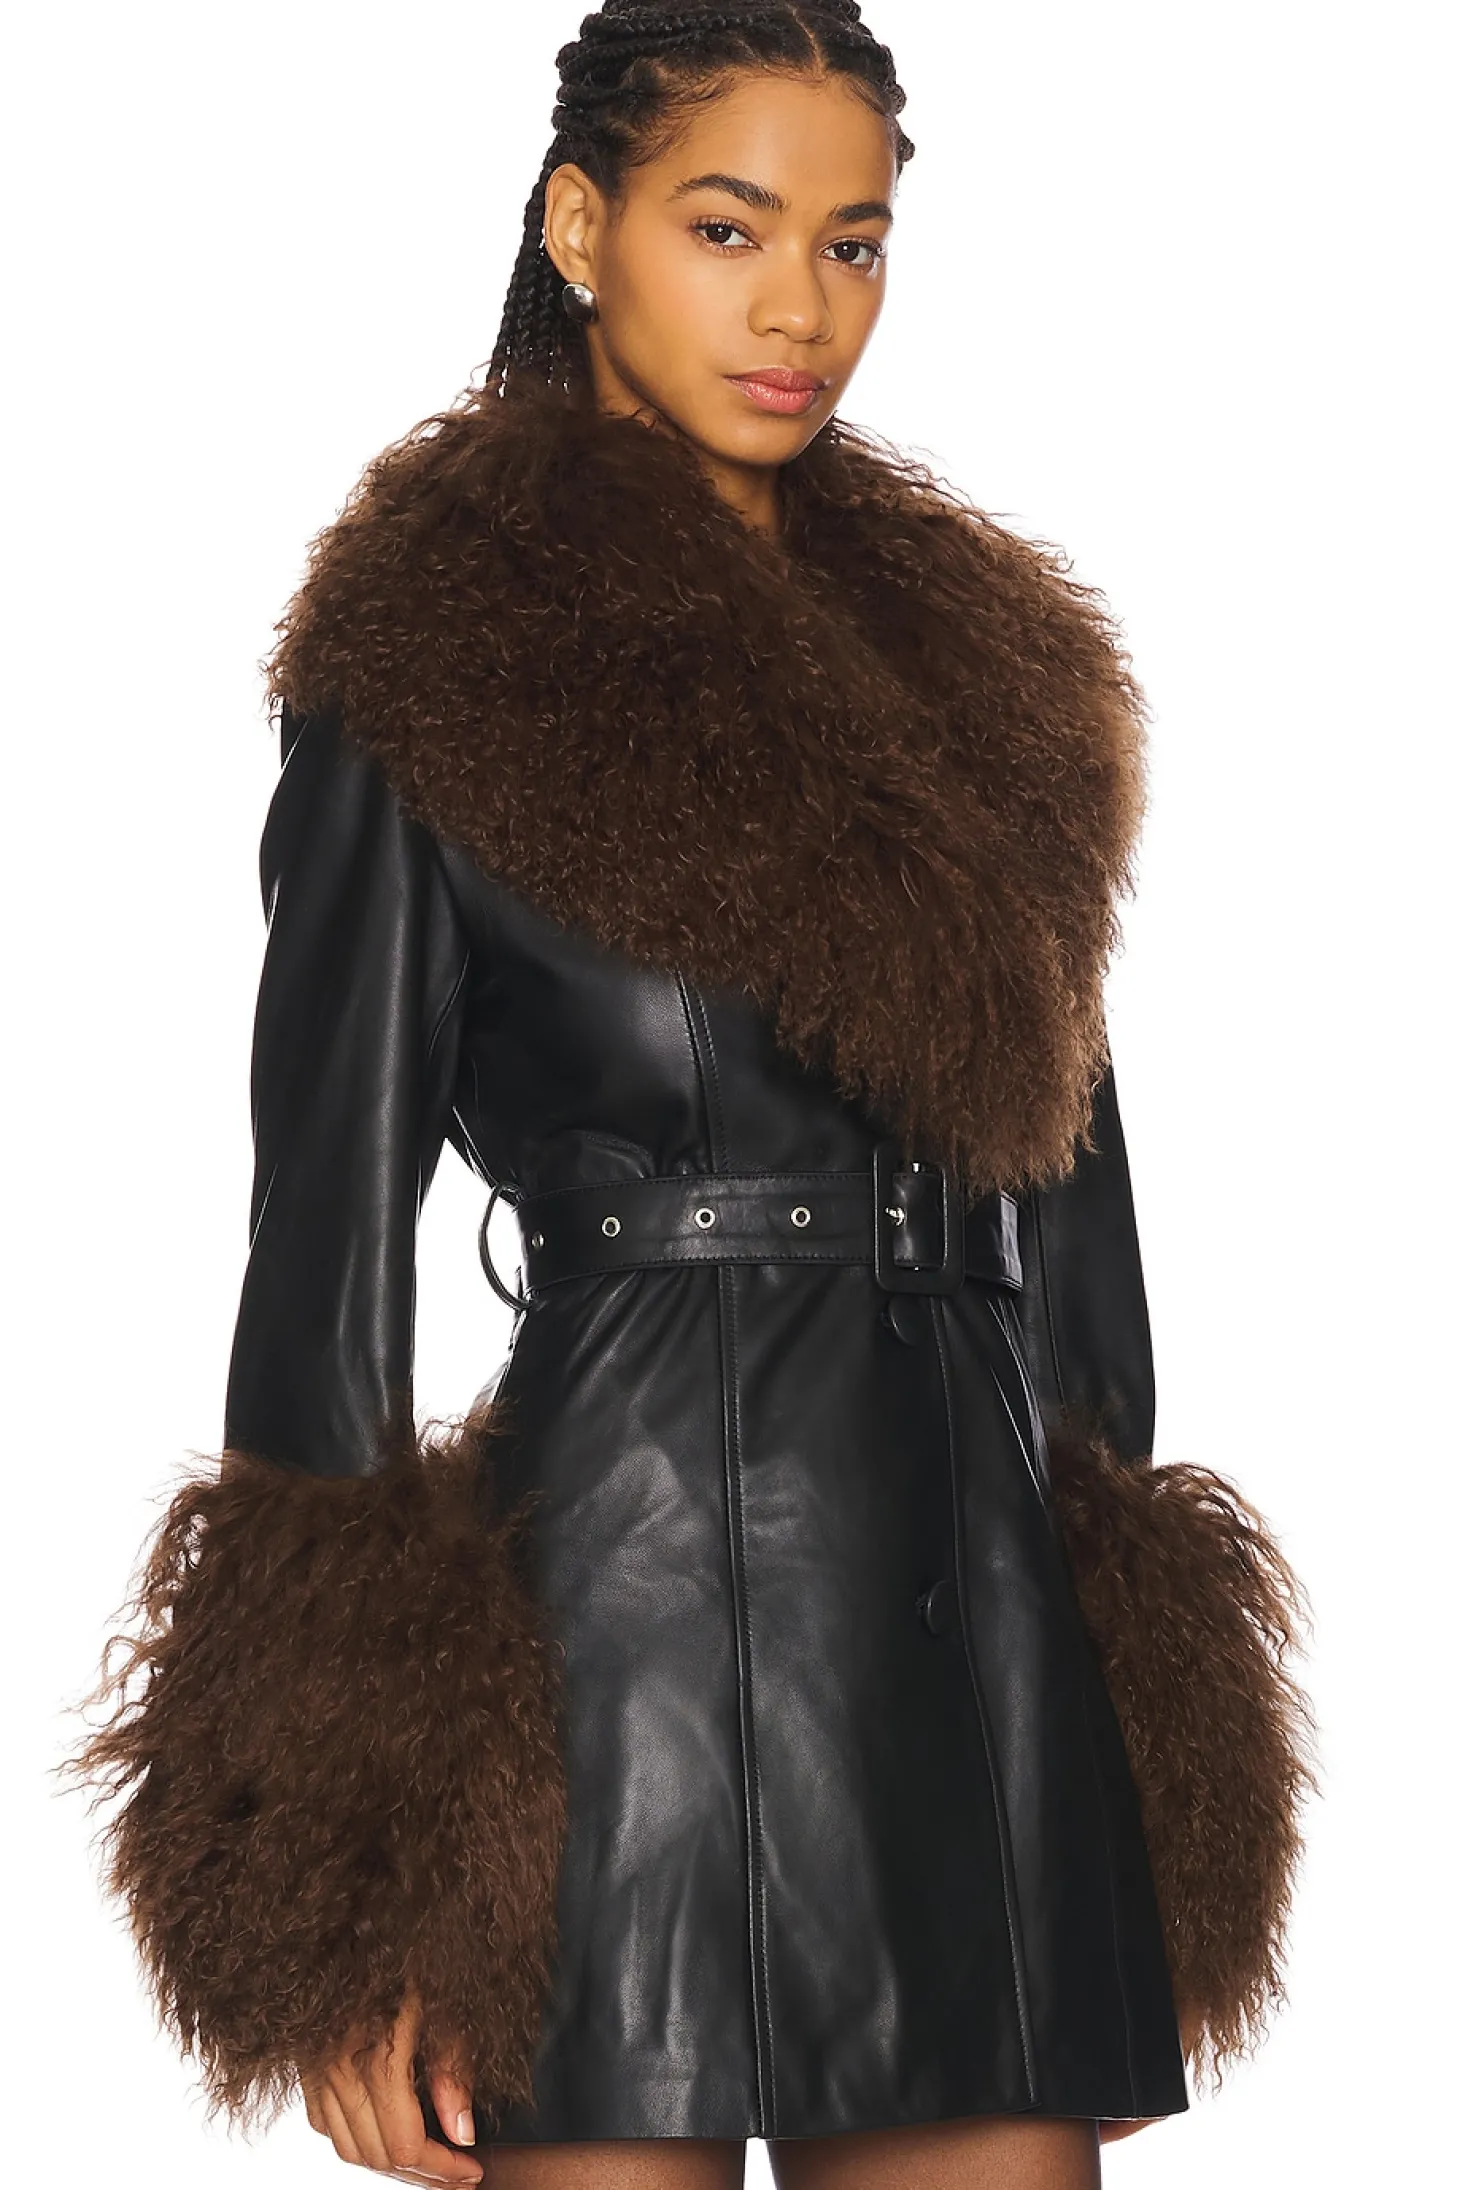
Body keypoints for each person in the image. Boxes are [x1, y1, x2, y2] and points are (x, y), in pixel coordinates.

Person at [65, 5, 1316, 2187]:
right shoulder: (434, 662)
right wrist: (347, 1886)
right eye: (726, 227)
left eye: (853, 242)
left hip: (975, 1637)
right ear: (582, 227)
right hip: (621, 1626)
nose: (797, 307)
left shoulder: (984, 683)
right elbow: (320, 1276)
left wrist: (1135, 1801)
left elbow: (1078, 1232)